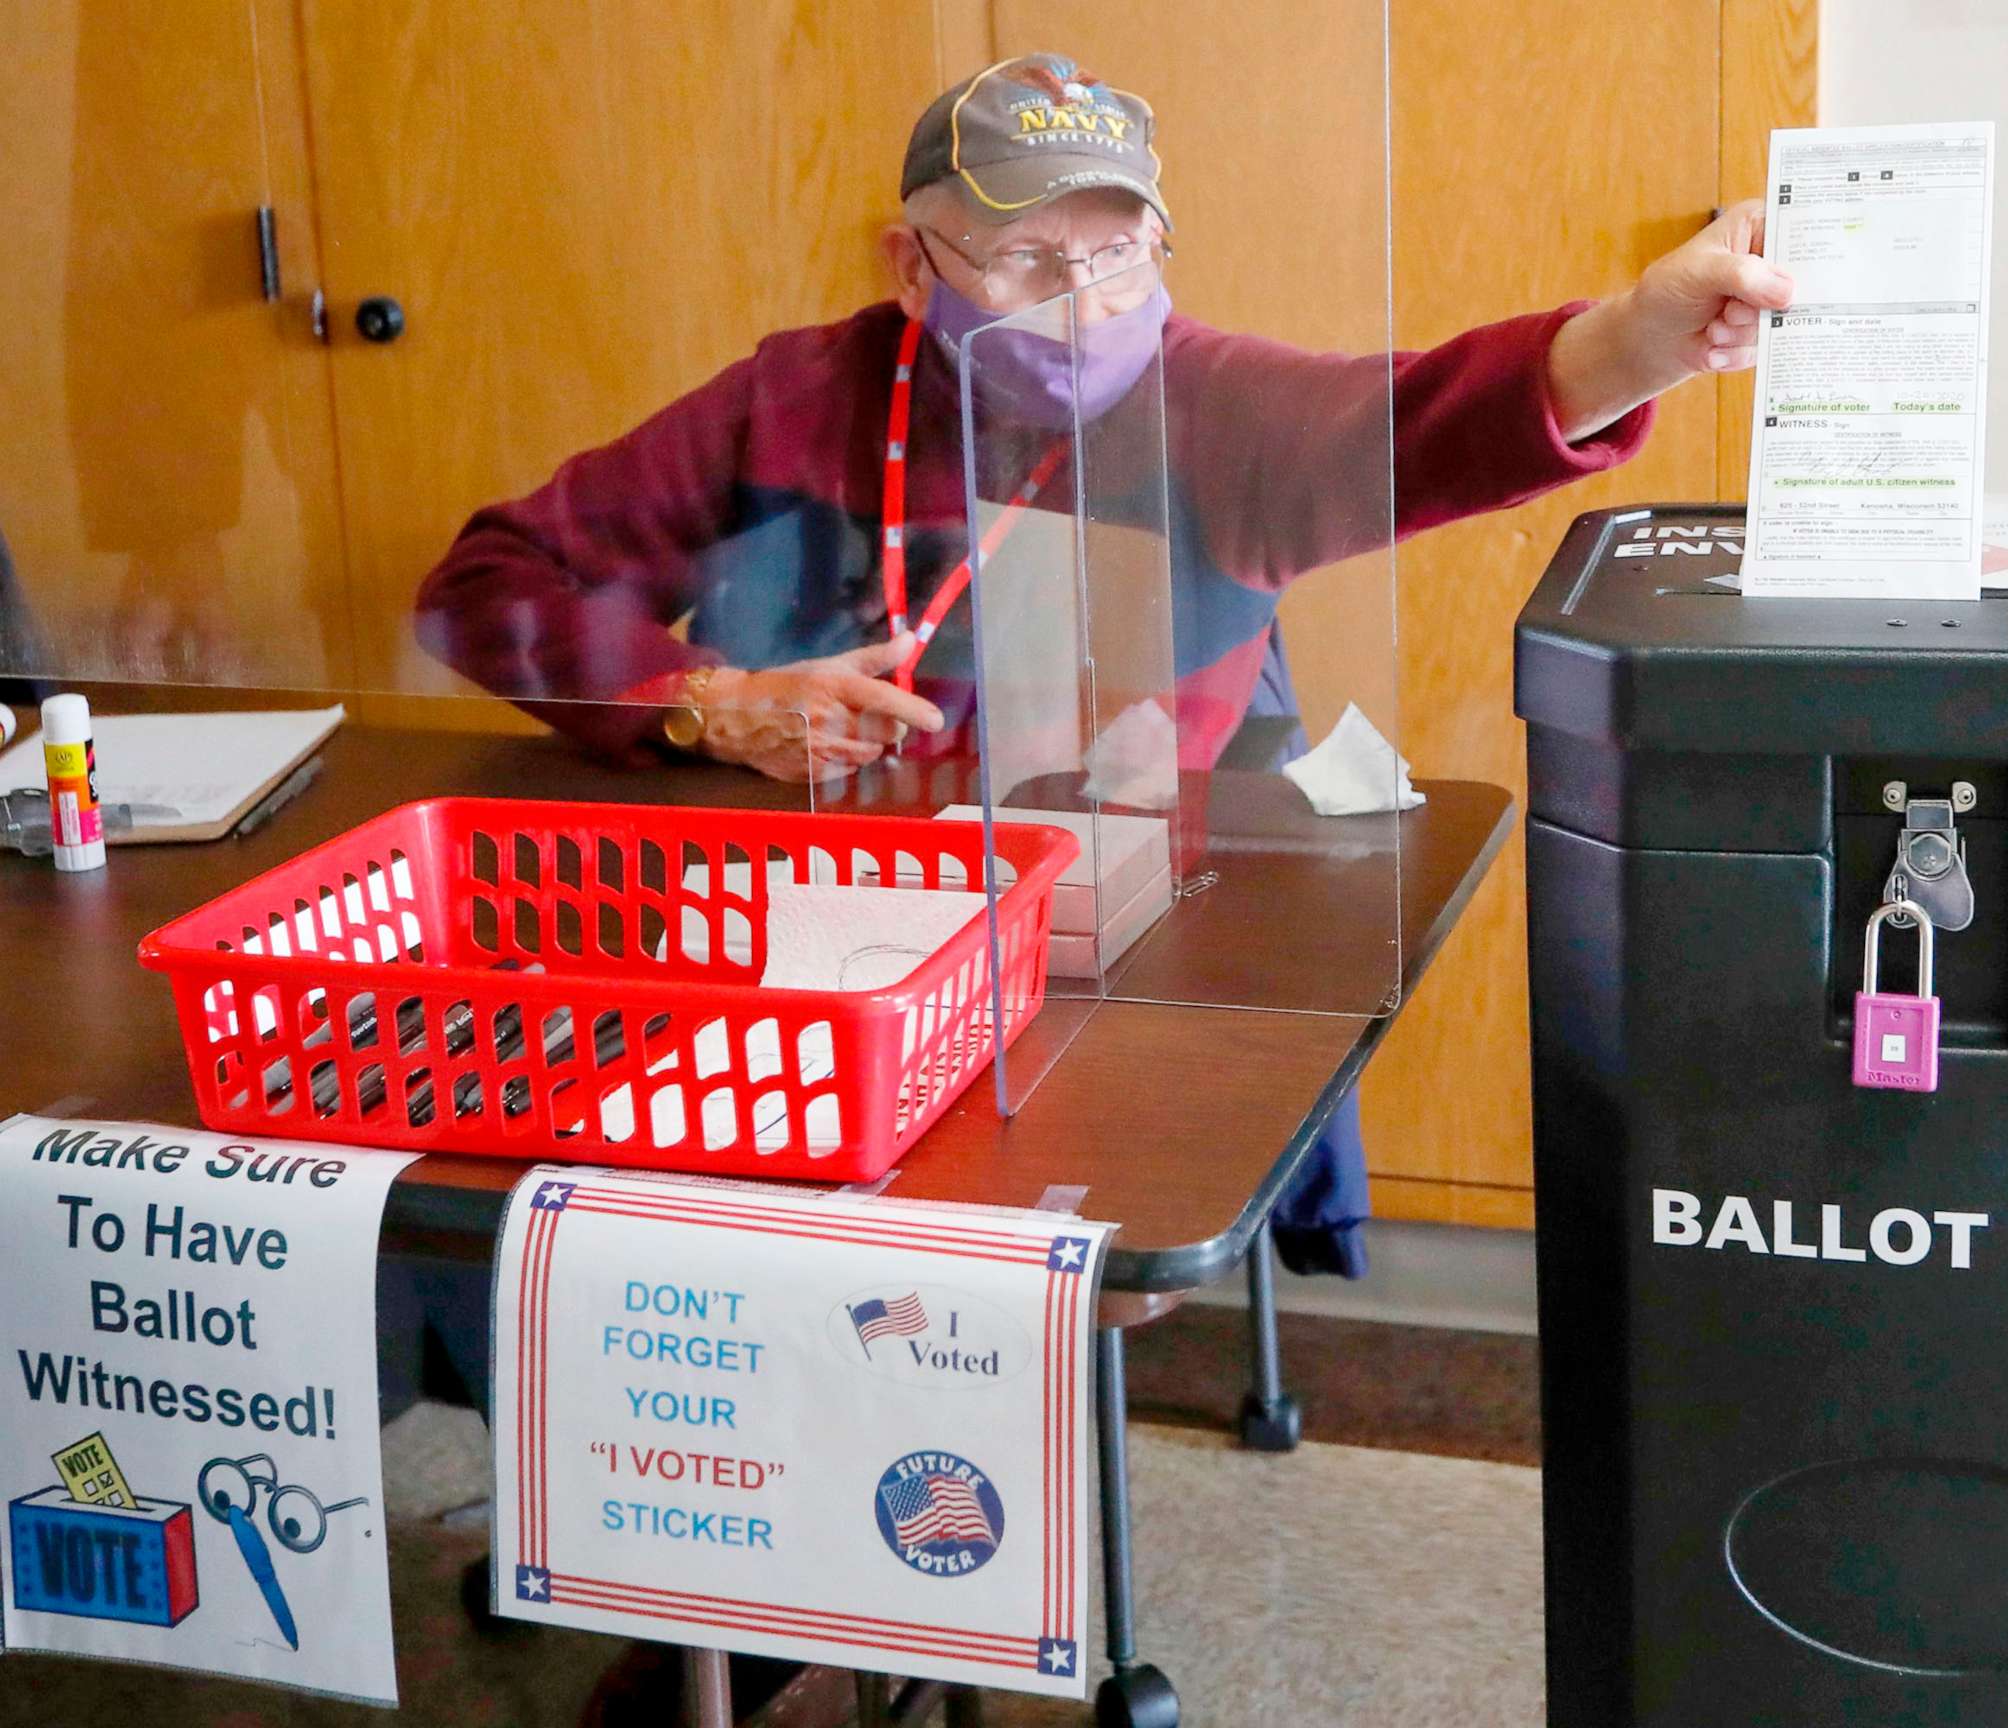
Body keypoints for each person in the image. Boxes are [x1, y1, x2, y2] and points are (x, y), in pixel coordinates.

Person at [415, 52, 1790, 1278]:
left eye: (1117, 255)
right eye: (1023, 259)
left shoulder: (1216, 406)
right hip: (830, 910)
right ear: (912, 265)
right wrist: (700, 705)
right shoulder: (790, 397)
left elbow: (1423, 422)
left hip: (1112, 936)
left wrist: (1634, 346)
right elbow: (489, 584)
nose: (1080, 305)